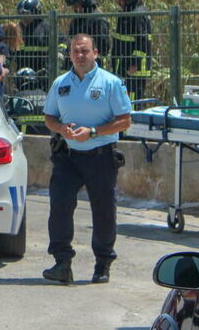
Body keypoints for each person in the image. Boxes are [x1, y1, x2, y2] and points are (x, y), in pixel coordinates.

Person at [41, 33, 132, 285]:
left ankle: (102, 263)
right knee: (59, 206)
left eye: (85, 51)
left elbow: (125, 120)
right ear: (69, 55)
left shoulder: (111, 82)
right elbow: (49, 117)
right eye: (75, 51)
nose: (80, 56)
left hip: (100, 156)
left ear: (95, 53)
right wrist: (60, 128)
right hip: (68, 157)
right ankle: (62, 263)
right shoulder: (60, 83)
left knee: (103, 211)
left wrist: (93, 131)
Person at [109, 0, 152, 101]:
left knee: (132, 99)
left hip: (134, 69)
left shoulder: (137, 15)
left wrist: (135, 63)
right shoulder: (128, 13)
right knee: (124, 97)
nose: (118, 2)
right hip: (125, 65)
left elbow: (142, 41)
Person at [64, 0, 110, 69]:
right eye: (73, 7)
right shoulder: (76, 20)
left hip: (93, 64)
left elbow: (103, 47)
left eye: (76, 5)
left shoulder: (98, 20)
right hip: (74, 64)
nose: (74, 9)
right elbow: (70, 41)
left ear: (85, 3)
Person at [16, 0, 51, 89]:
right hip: (23, 74)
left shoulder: (46, 27)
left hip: (43, 74)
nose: (24, 17)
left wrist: (59, 53)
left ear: (36, 12)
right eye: (21, 13)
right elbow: (10, 48)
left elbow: (62, 42)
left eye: (27, 14)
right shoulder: (18, 29)